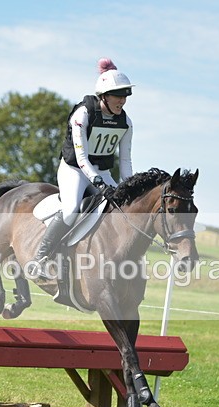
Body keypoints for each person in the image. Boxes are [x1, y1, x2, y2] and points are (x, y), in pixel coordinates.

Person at [30, 57, 135, 277]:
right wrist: (97, 181)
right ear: (104, 96)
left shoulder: (126, 123)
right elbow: (81, 157)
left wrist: (129, 187)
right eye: (118, 95)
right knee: (71, 210)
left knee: (119, 210)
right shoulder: (83, 114)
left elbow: (125, 161)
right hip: (74, 170)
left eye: (125, 95)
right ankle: (39, 259)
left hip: (102, 171)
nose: (122, 101)